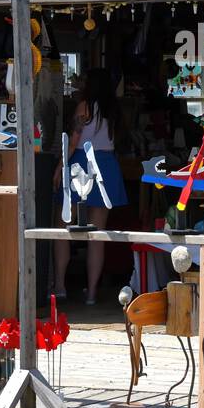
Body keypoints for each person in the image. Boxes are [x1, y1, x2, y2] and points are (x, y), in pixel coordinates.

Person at [53, 68, 128, 305]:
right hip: (107, 165)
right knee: (97, 233)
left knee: (62, 226)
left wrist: (59, 167)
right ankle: (93, 293)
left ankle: (60, 286)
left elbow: (74, 141)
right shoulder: (114, 110)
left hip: (82, 164)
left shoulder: (85, 106)